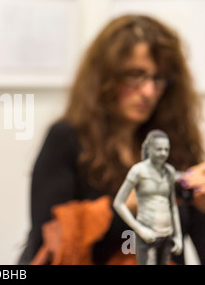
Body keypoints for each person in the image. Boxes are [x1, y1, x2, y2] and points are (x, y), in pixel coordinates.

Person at [18, 14, 205, 265]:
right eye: (135, 75)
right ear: (105, 77)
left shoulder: (173, 144)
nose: (149, 91)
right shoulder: (67, 139)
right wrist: (126, 208)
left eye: (158, 79)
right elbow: (51, 247)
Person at [113, 130, 182, 265]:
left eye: (166, 149)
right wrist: (139, 229)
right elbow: (119, 203)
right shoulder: (138, 171)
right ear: (149, 149)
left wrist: (177, 236)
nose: (163, 153)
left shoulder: (169, 172)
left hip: (167, 234)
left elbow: (172, 205)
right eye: (158, 149)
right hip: (147, 234)